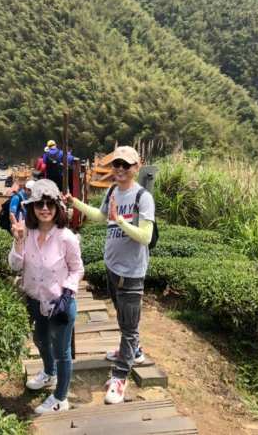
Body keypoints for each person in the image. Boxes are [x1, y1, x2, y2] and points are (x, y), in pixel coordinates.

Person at [64, 146, 154, 404]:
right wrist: (75, 202)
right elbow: (101, 216)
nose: (121, 170)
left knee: (128, 327)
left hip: (132, 273)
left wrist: (122, 221)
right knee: (123, 319)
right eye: (117, 165)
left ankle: (120, 377)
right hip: (112, 268)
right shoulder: (113, 191)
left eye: (126, 165)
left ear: (137, 167)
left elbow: (145, 236)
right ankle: (133, 351)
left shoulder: (142, 197)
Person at [8, 179, 83, 414]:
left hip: (60, 303)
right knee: (40, 340)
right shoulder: (26, 234)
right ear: (31, 207)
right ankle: (48, 373)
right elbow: (13, 266)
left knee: (62, 351)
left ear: (57, 207)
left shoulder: (66, 237)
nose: (45, 209)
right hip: (34, 299)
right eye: (39, 204)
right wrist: (19, 240)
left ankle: (61, 397)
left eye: (50, 204)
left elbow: (78, 269)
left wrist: (68, 292)